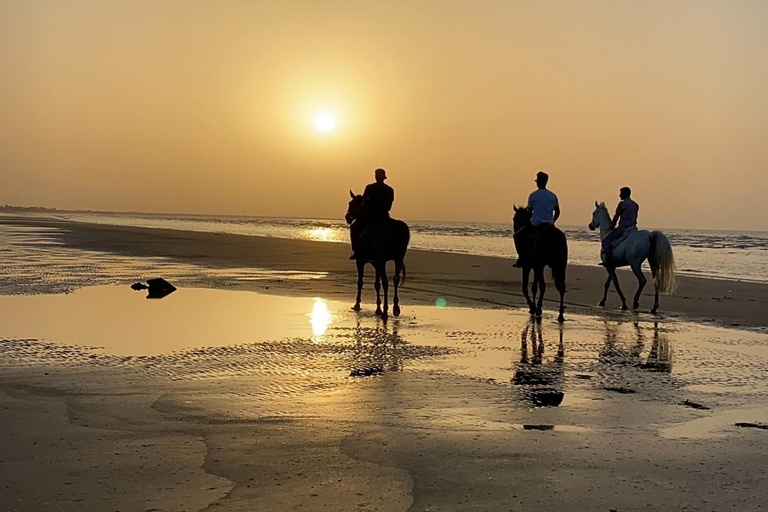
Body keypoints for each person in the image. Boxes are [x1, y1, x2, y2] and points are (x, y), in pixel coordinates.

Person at [513, 171, 560, 267]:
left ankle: (521, 258)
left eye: (537, 181)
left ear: (539, 182)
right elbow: (558, 212)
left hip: (535, 224)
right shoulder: (553, 196)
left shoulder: (533, 195)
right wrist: (552, 221)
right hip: (549, 225)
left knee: (517, 236)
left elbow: (529, 212)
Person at [350, 168, 394, 259]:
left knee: (353, 227)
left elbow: (364, 203)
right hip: (384, 217)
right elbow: (389, 207)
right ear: (384, 178)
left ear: (375, 177)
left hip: (371, 216)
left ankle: (356, 251)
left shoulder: (369, 187)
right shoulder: (390, 189)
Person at [600, 186, 639, 266]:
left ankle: (609, 261)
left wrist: (612, 226)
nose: (619, 195)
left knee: (606, 241)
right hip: (633, 229)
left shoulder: (622, 204)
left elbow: (616, 216)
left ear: (624, 194)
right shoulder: (635, 205)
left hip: (623, 229)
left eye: (620, 193)